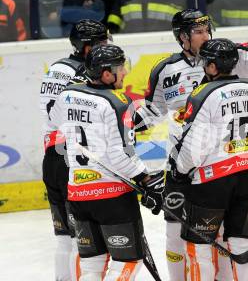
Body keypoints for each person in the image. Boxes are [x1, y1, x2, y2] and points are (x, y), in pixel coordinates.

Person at [145, 9, 248, 280]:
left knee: (214, 239)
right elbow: (151, 112)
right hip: (181, 166)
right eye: (198, 31)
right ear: (182, 37)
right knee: (175, 237)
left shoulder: (230, 57)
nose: (206, 35)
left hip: (212, 169)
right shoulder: (165, 69)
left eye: (208, 29)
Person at [47, 44, 164, 280]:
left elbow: (54, 118)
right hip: (112, 198)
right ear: (106, 73)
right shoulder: (118, 102)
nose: (125, 73)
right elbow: (120, 156)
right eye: (121, 68)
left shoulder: (68, 93)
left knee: (92, 266)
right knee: (129, 260)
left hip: (78, 194)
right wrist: (146, 178)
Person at [168, 38, 248, 281]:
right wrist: (243, 159)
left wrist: (181, 171)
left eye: (206, 62)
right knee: (243, 246)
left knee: (199, 247)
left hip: (211, 184)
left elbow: (195, 144)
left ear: (213, 66)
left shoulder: (203, 93)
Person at [39, 19, 109, 281]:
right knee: (82, 241)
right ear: (88, 47)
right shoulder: (84, 73)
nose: (105, 47)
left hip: (52, 156)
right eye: (101, 42)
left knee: (64, 240)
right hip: (71, 159)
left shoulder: (56, 68)